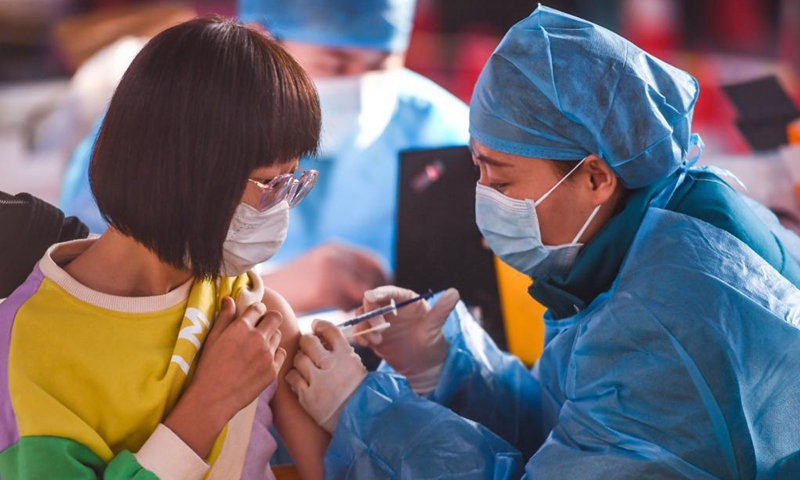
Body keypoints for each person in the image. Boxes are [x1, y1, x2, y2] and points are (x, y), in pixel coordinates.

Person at [285, 6, 800, 479]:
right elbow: (577, 424)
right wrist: (443, 362)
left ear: (596, 177)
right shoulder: (651, 229)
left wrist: (365, 412)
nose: (483, 198)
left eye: (502, 182)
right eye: (478, 170)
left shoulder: (663, 316)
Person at [0, 18, 329, 479]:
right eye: (269, 183)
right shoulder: (31, 350)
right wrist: (208, 403)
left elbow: (330, 470)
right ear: (186, 175)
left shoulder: (248, 304)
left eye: (292, 180)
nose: (280, 207)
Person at [60, 0, 470, 313]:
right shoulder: (171, 124)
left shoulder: (444, 133)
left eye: (381, 66)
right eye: (336, 64)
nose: (361, 89)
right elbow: (97, 283)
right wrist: (272, 289)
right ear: (259, 40)